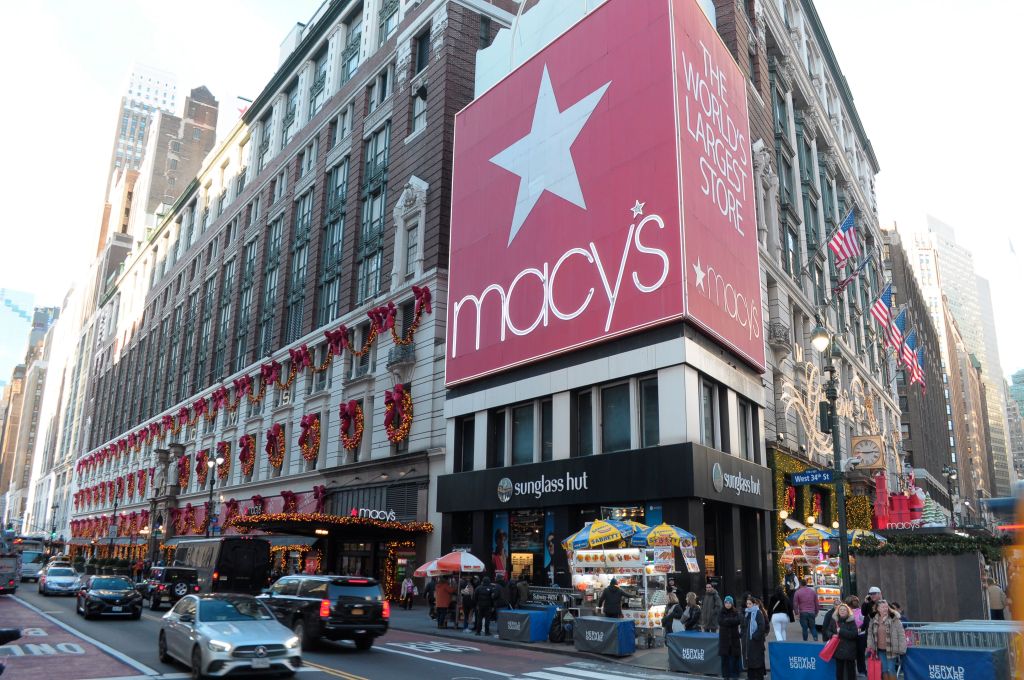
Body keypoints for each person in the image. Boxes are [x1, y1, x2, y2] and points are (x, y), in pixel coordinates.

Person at [866, 600, 907, 680]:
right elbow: (870, 633)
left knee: (891, 669)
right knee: (884, 669)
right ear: (877, 608)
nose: (885, 608)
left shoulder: (894, 618)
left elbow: (901, 634)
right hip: (880, 649)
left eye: (886, 607)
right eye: (883, 607)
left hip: (892, 649)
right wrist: (870, 645)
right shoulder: (873, 619)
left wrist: (902, 648)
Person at [741, 596, 768, 680]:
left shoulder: (758, 613)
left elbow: (761, 626)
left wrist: (754, 636)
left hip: (756, 642)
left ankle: (758, 677)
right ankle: (751, 677)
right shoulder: (747, 613)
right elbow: (745, 626)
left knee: (757, 660)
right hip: (748, 641)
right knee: (750, 660)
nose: (748, 605)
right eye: (747, 603)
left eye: (750, 604)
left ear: (754, 604)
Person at [830, 603, 859, 680]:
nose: (842, 611)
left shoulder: (852, 621)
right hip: (838, 649)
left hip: (849, 650)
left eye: (844, 610)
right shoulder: (834, 620)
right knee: (839, 671)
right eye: (840, 609)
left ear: (848, 611)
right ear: (838, 611)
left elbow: (854, 634)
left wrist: (841, 631)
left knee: (851, 671)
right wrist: (832, 635)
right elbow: (827, 631)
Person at [718, 595, 743, 680]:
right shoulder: (721, 612)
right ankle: (726, 675)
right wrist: (731, 621)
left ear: (732, 604)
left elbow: (737, 621)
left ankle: (735, 675)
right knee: (724, 659)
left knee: (734, 658)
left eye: (729, 603)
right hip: (724, 640)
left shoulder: (736, 612)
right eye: (726, 602)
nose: (728, 604)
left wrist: (727, 620)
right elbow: (720, 621)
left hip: (734, 639)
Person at [792, 577, 820, 641]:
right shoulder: (812, 592)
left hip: (803, 612)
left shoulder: (798, 592)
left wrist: (796, 613)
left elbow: (795, 604)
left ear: (800, 584)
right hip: (812, 612)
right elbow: (816, 603)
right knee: (813, 627)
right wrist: (816, 612)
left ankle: (805, 641)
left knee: (804, 628)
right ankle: (815, 639)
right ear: (806, 584)